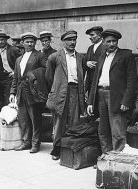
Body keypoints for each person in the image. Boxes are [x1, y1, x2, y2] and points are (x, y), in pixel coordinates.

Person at [87, 29, 137, 153]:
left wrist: (126, 101)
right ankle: (106, 158)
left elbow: (132, 81)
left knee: (117, 129)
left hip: (116, 96)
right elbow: (95, 81)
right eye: (108, 41)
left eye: (114, 41)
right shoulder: (101, 57)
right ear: (103, 42)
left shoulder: (126, 56)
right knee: (103, 129)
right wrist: (90, 102)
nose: (111, 44)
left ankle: (117, 160)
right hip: (100, 94)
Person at [45, 30, 86, 160]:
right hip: (60, 91)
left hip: (75, 92)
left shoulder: (81, 57)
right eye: (69, 40)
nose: (72, 42)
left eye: (74, 40)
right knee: (59, 122)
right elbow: (49, 77)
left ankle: (70, 150)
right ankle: (56, 149)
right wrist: (57, 88)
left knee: (74, 122)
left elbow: (82, 74)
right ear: (64, 41)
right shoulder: (55, 57)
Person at [9, 32, 46, 153]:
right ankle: (26, 141)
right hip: (21, 91)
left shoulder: (39, 56)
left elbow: (46, 70)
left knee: (35, 118)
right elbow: (15, 76)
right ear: (22, 43)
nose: (29, 44)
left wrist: (33, 75)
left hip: (33, 91)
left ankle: (36, 143)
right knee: (23, 118)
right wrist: (12, 92)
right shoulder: (19, 58)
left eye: (32, 42)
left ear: (35, 43)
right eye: (27, 42)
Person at [0, 32, 21, 106]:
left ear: (6, 40)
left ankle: (9, 114)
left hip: (10, 77)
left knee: (8, 97)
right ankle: (0, 114)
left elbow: (20, 62)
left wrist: (15, 73)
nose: (0, 42)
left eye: (2, 40)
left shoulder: (13, 50)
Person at [84, 26, 106, 95]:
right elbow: (85, 61)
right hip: (90, 83)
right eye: (89, 35)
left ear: (99, 35)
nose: (90, 37)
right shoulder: (90, 48)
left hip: (101, 83)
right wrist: (87, 63)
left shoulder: (105, 46)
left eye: (92, 35)